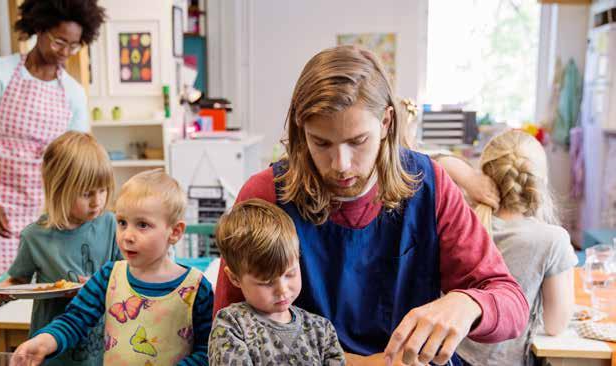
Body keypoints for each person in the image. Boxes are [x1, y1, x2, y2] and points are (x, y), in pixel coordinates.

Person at [213, 45, 529, 366]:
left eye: (358, 141)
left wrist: (466, 303)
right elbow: (231, 330)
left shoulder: (430, 185)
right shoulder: (266, 194)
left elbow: (512, 304)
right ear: (300, 129)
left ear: (386, 123)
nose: (341, 164)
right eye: (321, 143)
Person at [0, 0, 105, 291]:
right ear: (39, 28)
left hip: (49, 209)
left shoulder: (73, 94)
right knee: (0, 291)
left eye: (73, 45)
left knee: (50, 289)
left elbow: (77, 157)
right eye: (59, 42)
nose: (65, 52)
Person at [10, 169, 214, 366]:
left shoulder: (197, 288)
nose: (127, 235)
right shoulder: (109, 276)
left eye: (142, 225)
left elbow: (208, 350)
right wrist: (44, 342)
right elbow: (75, 319)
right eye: (122, 222)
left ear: (175, 232)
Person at [0, 131, 119, 365]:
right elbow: (18, 280)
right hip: (50, 341)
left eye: (103, 190)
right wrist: (1, 290)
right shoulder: (35, 236)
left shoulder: (111, 225)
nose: (97, 201)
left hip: (100, 339)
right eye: (86, 194)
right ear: (58, 188)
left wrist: (103, 283)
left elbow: (127, 272)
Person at [447, 130, 577, 366]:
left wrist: (463, 174)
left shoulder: (461, 223)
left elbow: (420, 156)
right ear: (540, 181)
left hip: (450, 359)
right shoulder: (552, 239)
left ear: (484, 175)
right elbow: (556, 324)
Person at [209, 198, 345, 365]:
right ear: (235, 278)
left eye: (290, 274)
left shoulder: (322, 331)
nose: (282, 290)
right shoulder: (232, 325)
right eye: (266, 282)